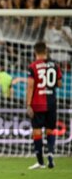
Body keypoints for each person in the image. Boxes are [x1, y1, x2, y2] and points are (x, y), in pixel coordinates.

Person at [27, 41, 62, 170]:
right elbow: (59, 84)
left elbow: (30, 86)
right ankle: (51, 155)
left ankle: (40, 162)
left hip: (37, 103)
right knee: (50, 130)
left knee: (37, 131)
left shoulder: (33, 66)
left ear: (35, 52)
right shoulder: (55, 65)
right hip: (51, 102)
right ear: (46, 51)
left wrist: (28, 104)